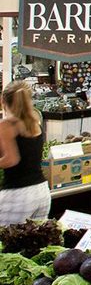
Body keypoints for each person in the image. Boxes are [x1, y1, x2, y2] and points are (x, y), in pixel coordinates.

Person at [0, 80, 50, 222]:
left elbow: (11, 159)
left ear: (3, 100)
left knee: (7, 242)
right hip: (41, 192)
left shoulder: (6, 125)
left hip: (18, 195)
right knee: (36, 240)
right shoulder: (34, 122)